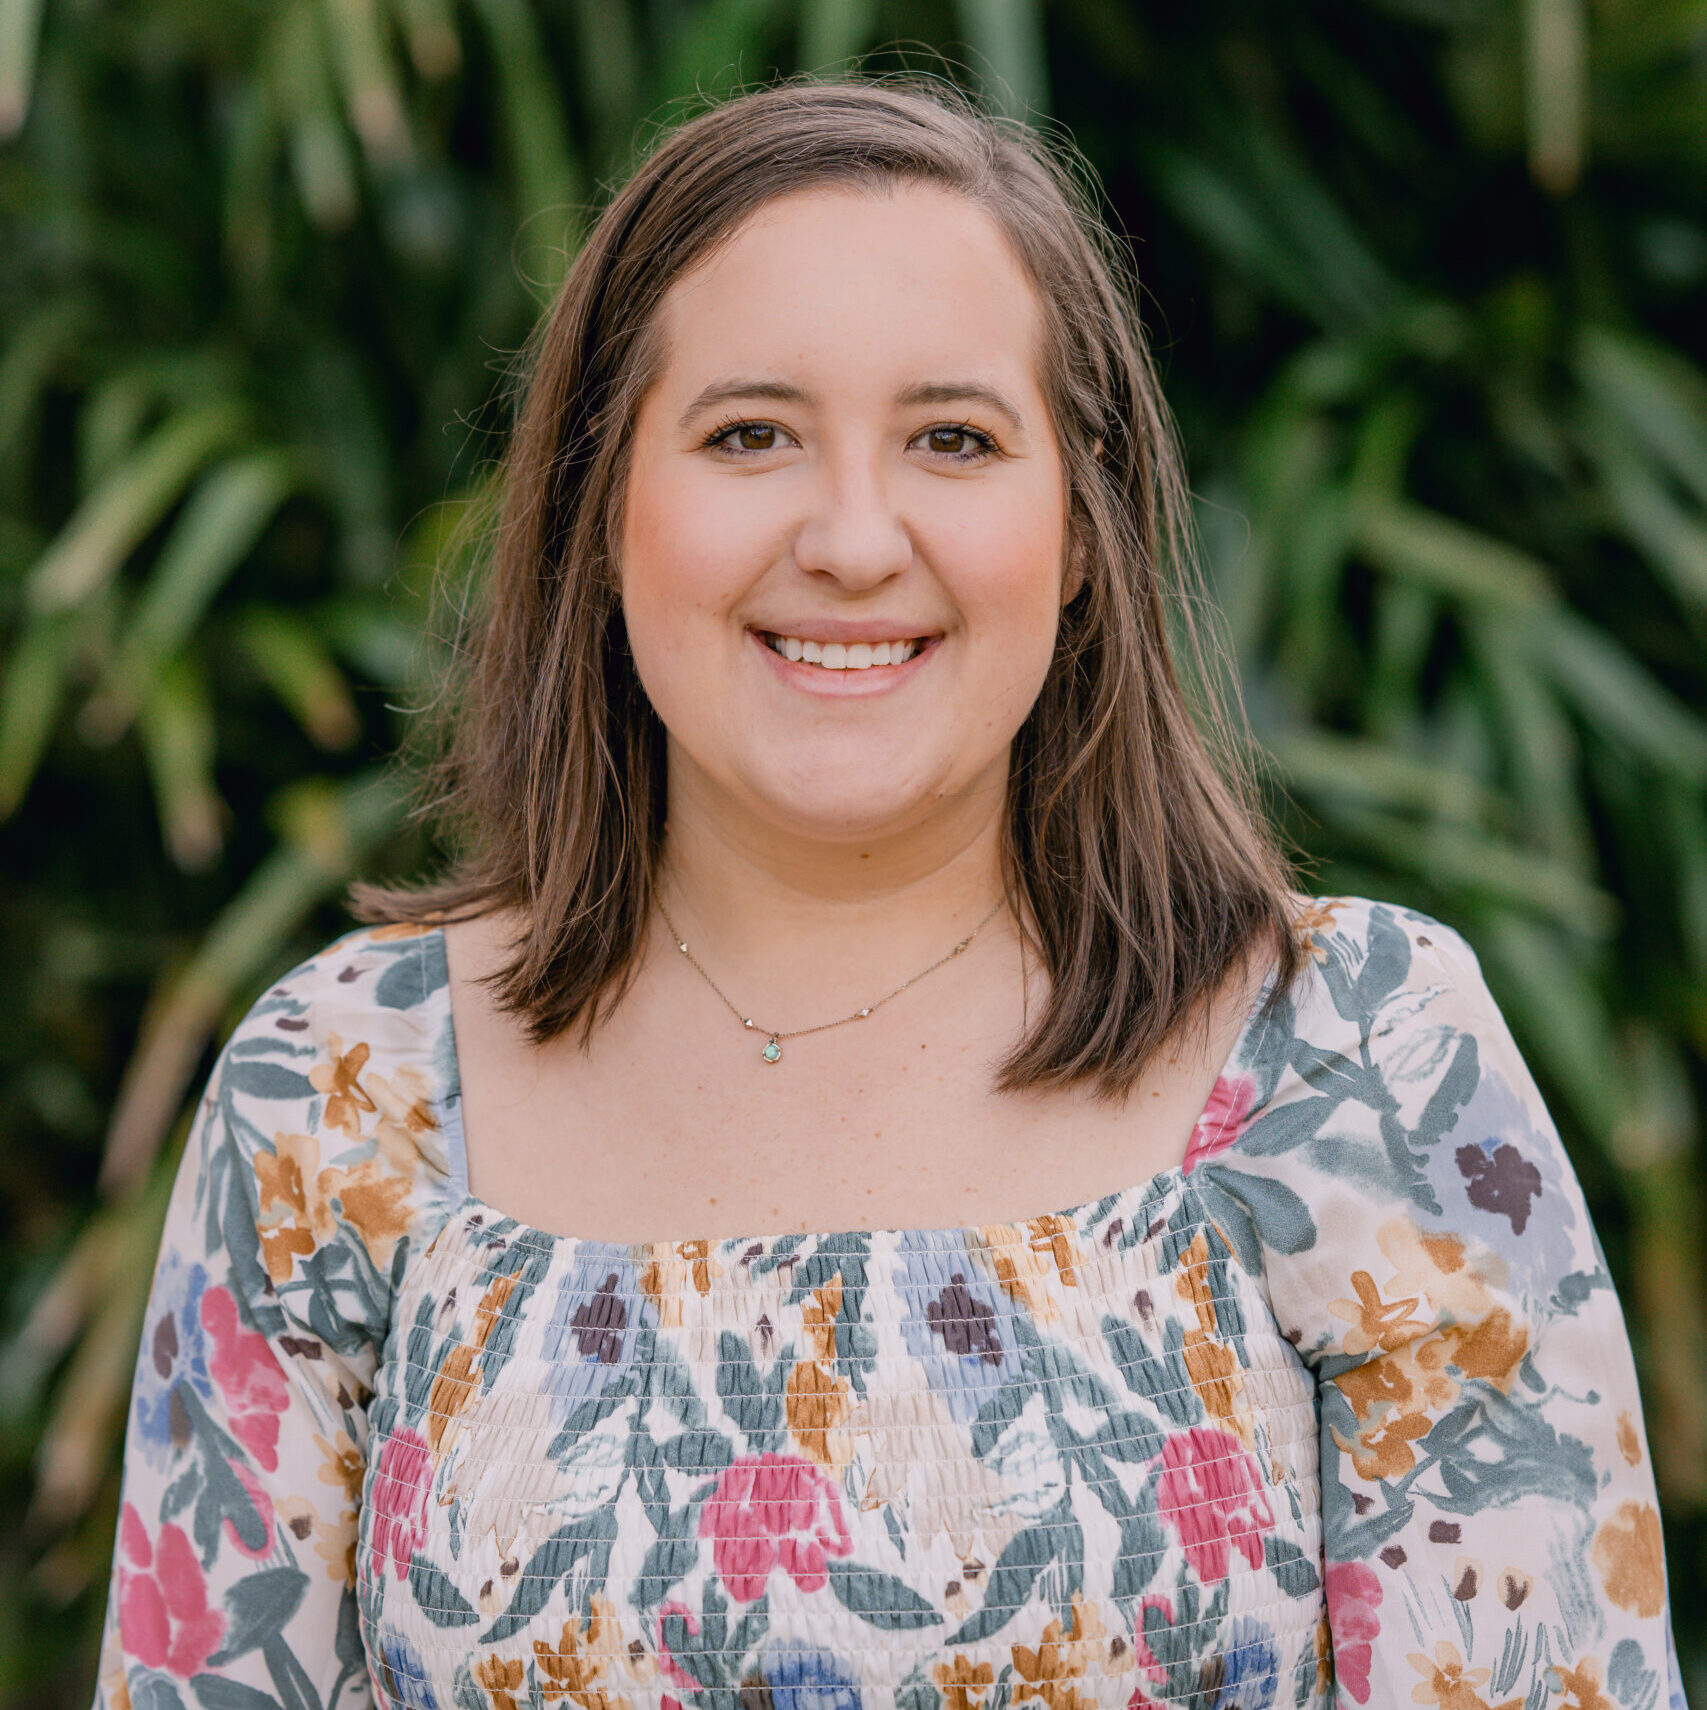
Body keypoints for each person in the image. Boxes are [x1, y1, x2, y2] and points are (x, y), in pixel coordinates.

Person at [92, 77, 1683, 1710]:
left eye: (953, 439)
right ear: (597, 508)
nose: (855, 538)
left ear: (1079, 527)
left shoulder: (1360, 1061)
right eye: (750, 434)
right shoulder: (338, 1096)